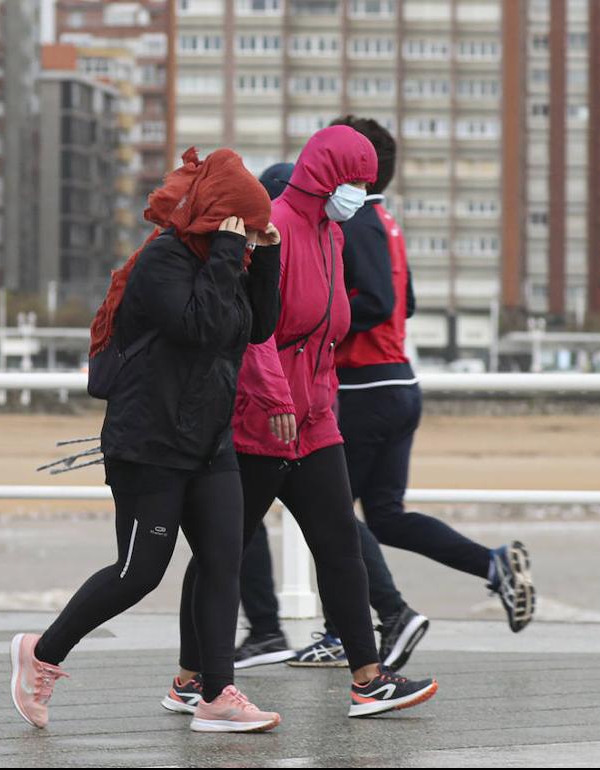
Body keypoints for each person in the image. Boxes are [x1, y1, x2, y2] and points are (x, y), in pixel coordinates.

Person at [234, 118, 537, 676]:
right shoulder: (382, 224)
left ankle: (368, 623)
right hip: (398, 379)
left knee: (325, 520)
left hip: (362, 385)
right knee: (382, 516)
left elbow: (371, 301)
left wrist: (318, 324)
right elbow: (406, 301)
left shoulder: (352, 225)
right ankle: (489, 566)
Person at [165, 126, 438, 719]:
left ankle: (368, 677)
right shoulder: (277, 227)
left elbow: (327, 329)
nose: (360, 193)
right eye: (354, 180)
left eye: (367, 182)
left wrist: (313, 402)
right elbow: (253, 327)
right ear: (324, 176)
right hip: (260, 419)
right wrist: (273, 399)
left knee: (339, 541)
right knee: (223, 549)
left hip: (314, 418)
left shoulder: (331, 235)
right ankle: (191, 677)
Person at [9, 147, 284, 733]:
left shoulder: (227, 264)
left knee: (222, 561)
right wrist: (232, 254)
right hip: (149, 444)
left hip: (209, 441)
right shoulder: (164, 262)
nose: (251, 237)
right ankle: (42, 652)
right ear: (218, 219)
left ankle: (216, 694)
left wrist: (268, 259)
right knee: (139, 573)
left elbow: (258, 327)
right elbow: (200, 329)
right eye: (246, 225)